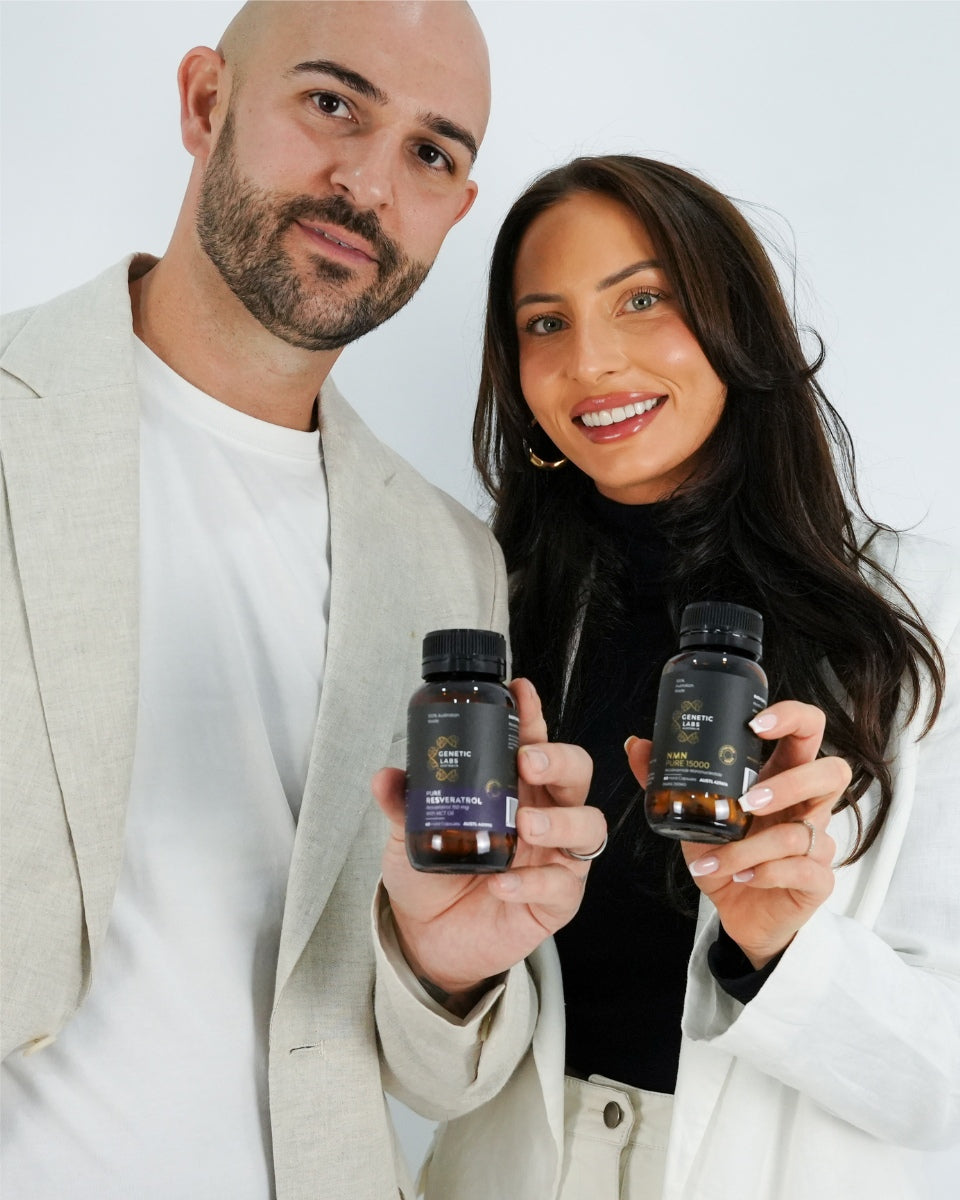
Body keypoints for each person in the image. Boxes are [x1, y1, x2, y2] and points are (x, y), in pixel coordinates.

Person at [0, 6, 604, 1198]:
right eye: (333, 103)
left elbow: (439, 1080)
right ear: (205, 101)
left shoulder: (451, 563)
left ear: (456, 209)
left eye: (432, 153)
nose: (368, 183)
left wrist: (447, 972)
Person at [415, 156, 960, 1199]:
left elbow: (943, 1085)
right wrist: (442, 965)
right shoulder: (482, 621)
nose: (593, 360)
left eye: (644, 299)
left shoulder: (923, 622)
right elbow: (406, 1041)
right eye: (545, 323)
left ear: (735, 322)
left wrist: (783, 945)